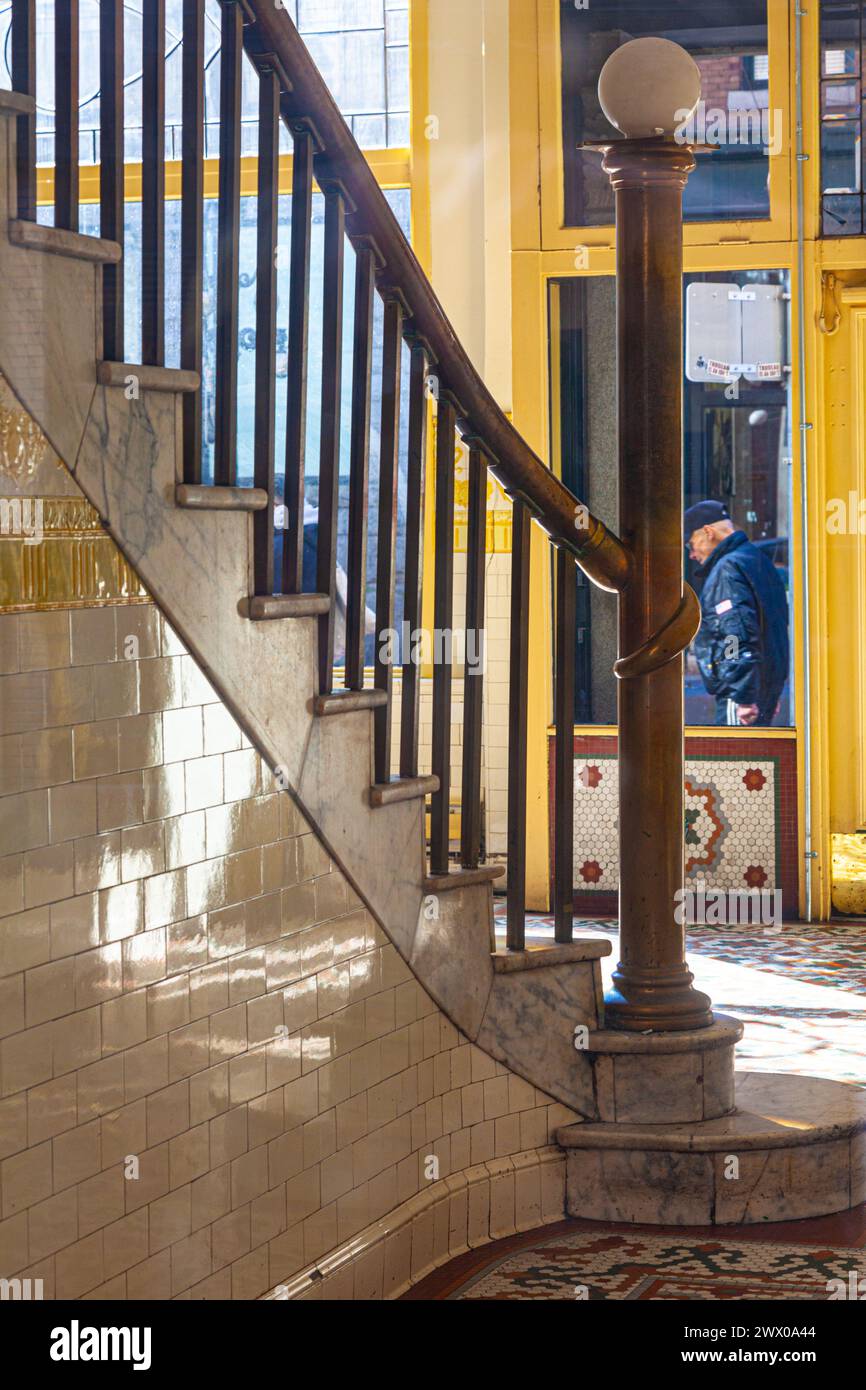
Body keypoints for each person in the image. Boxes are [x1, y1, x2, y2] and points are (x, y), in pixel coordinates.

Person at [684, 499, 789, 726]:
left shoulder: (727, 569)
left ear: (708, 532)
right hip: (764, 686)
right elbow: (775, 626)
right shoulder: (757, 561)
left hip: (741, 694)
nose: (691, 554)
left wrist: (743, 696)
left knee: (733, 756)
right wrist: (770, 691)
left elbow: (734, 635)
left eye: (690, 544)